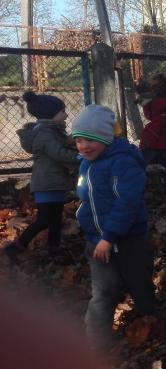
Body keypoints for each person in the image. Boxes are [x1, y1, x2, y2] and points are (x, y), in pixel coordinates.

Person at [73, 105, 156, 347]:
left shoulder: (123, 162)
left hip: (129, 239)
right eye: (78, 140)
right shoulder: (86, 163)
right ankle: (96, 342)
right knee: (103, 291)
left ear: (106, 138)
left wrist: (109, 236)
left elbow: (127, 202)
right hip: (97, 239)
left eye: (90, 140)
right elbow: (87, 197)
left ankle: (149, 322)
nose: (84, 146)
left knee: (139, 282)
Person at [6, 92, 79, 262]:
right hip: (46, 183)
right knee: (44, 220)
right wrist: (82, 157)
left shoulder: (53, 131)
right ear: (50, 114)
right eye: (62, 111)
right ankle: (15, 247)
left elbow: (62, 146)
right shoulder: (45, 133)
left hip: (55, 182)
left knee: (55, 220)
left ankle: (54, 248)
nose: (66, 115)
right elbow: (59, 154)